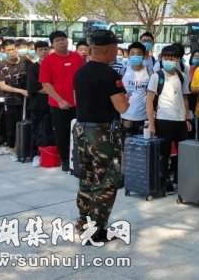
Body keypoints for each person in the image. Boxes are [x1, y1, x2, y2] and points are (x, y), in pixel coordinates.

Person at [72, 29, 129, 245]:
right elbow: (122, 107)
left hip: (81, 130)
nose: (117, 51)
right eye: (115, 47)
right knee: (106, 181)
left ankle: (84, 222)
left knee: (87, 178)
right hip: (102, 134)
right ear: (106, 49)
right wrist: (128, 99)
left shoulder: (80, 72)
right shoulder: (110, 75)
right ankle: (96, 231)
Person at [146, 45, 191, 190]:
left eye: (172, 58)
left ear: (178, 59)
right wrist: (152, 123)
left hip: (179, 121)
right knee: (163, 154)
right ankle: (164, 182)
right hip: (163, 120)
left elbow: (185, 99)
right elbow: (149, 101)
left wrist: (187, 118)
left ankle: (180, 180)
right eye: (166, 58)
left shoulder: (182, 77)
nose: (169, 61)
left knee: (182, 154)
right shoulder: (156, 76)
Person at [40, 31, 85, 172]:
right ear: (52, 44)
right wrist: (59, 100)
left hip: (78, 103)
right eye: (58, 40)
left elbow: (83, 78)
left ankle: (79, 159)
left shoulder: (77, 57)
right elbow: (46, 84)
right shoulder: (48, 60)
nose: (61, 42)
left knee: (80, 132)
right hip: (58, 105)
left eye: (63, 39)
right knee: (62, 133)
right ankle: (65, 160)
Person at [0, 39, 28, 151]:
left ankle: (25, 145)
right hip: (11, 100)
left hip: (26, 99)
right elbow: (2, 86)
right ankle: (13, 147)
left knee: (26, 123)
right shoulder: (2, 65)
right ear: (4, 51)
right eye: (8, 50)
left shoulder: (26, 61)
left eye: (13, 49)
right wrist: (20, 91)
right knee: (12, 125)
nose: (11, 52)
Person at [25, 41, 53, 151]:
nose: (44, 52)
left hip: (53, 103)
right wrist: (53, 91)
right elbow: (33, 87)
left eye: (46, 49)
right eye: (40, 50)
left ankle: (50, 152)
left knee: (51, 129)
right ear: (36, 52)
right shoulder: (33, 68)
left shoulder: (53, 65)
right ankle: (36, 153)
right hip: (38, 104)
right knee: (37, 129)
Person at [120, 42, 151, 136]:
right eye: (132, 53)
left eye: (139, 54)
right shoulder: (124, 70)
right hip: (126, 115)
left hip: (143, 117)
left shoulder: (149, 72)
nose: (135, 56)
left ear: (144, 56)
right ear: (128, 55)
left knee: (141, 147)